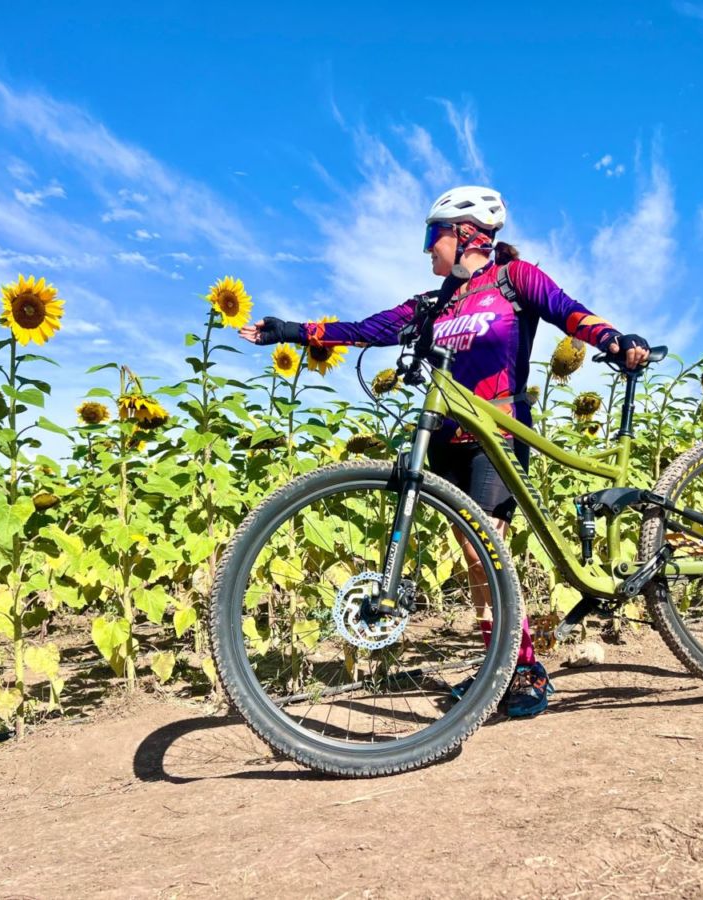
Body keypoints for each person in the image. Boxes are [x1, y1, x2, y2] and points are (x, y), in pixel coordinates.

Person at [239, 185, 649, 718]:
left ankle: (524, 670)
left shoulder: (513, 279)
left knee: (486, 550)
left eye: (434, 234)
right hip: (446, 437)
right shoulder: (432, 305)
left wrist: (614, 340)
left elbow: (567, 312)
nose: (427, 247)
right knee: (476, 559)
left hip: (498, 430)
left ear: (467, 235)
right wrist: (292, 331)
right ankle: (500, 664)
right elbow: (367, 329)